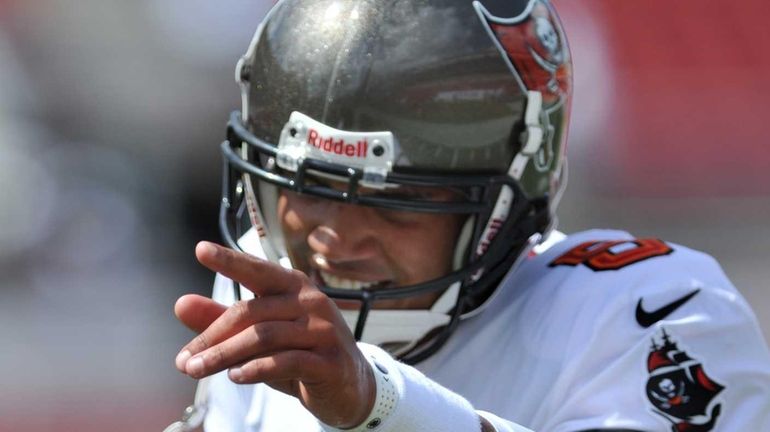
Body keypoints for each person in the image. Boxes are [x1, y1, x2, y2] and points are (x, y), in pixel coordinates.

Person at [168, 0, 770, 431]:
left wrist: (380, 404)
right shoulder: (263, 278)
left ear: (506, 203)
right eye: (310, 185)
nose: (333, 235)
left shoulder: (651, 314)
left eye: (397, 199)